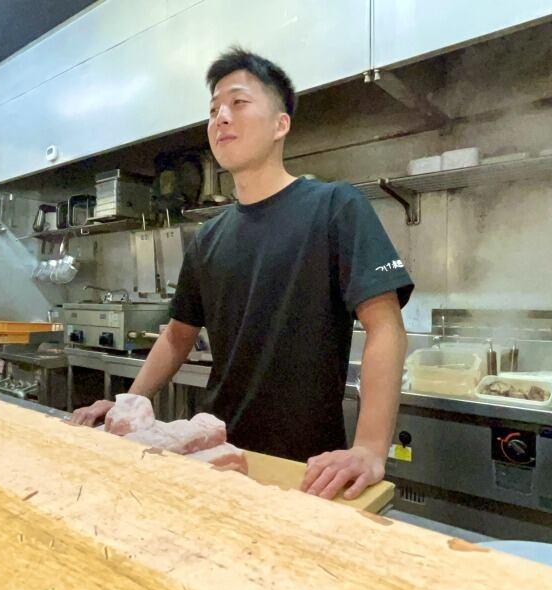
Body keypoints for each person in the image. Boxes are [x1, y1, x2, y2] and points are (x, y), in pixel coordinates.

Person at [72, 47, 413, 501]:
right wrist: (127, 404)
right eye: (213, 109)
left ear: (280, 124)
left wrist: (370, 448)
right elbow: (177, 336)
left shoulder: (335, 207)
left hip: (306, 466)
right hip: (215, 452)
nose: (221, 118)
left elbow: (385, 325)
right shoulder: (209, 237)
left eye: (239, 102)